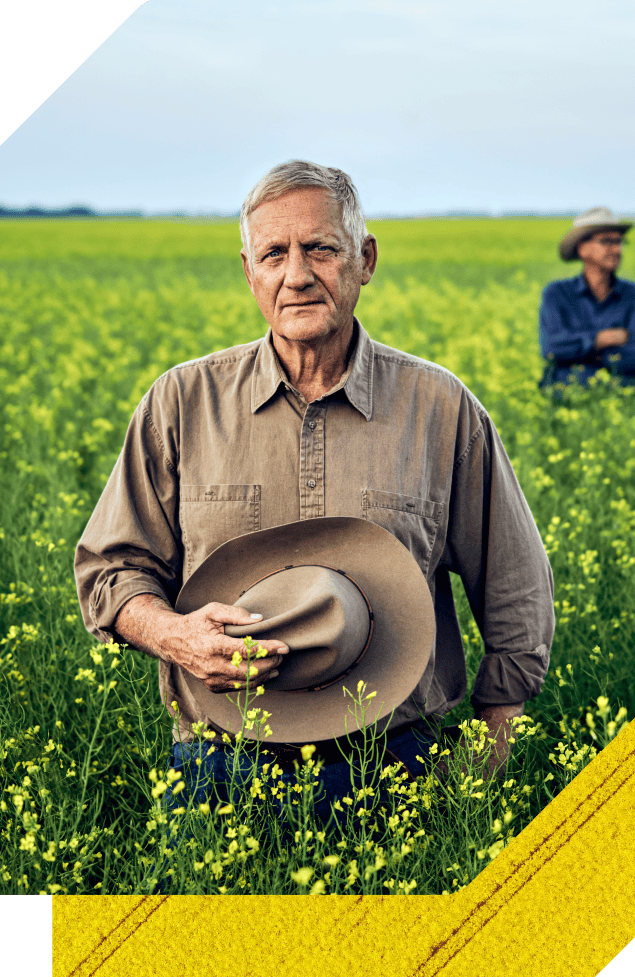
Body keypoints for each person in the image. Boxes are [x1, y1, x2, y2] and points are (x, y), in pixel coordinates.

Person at [73, 160, 555, 825]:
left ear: (365, 259)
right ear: (250, 272)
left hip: (397, 760)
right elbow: (109, 569)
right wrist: (175, 636)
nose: (295, 274)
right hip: (222, 765)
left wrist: (490, 750)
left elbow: (514, 585)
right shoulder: (181, 403)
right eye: (273, 253)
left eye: (320, 249)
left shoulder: (441, 408)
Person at [538, 206, 635, 394]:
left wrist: (577, 354)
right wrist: (601, 340)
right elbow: (552, 350)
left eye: (620, 242)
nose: (617, 249)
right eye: (607, 242)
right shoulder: (556, 294)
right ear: (582, 249)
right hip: (566, 399)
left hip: (622, 401)